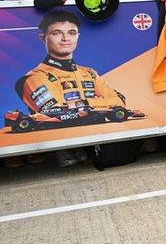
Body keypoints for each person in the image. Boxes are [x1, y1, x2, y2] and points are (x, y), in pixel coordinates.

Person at [17, 11, 135, 167]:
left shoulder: (89, 72)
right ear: (43, 38)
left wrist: (82, 104)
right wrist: (99, 104)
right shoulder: (34, 77)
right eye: (56, 33)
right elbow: (56, 112)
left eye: (71, 33)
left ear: (78, 36)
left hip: (94, 143)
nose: (66, 38)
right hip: (62, 148)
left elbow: (119, 102)